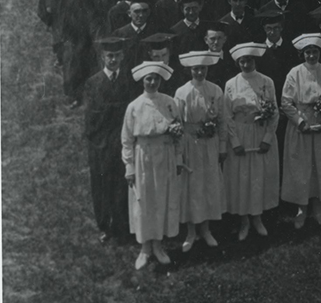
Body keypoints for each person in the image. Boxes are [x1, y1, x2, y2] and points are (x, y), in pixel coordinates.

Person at [120, 61, 184, 270]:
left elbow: (178, 134)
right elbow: (127, 139)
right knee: (144, 201)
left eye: (156, 78)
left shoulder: (169, 103)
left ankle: (158, 246)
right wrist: (129, 167)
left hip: (164, 155)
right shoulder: (134, 106)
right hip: (143, 157)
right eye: (149, 78)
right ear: (142, 81)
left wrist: (178, 159)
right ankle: (145, 248)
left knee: (162, 199)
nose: (153, 82)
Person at [280, 33, 321, 229]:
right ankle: (301, 210)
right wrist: (300, 122)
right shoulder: (294, 73)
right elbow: (286, 102)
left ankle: (318, 209)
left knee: (320, 166)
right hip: (301, 127)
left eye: (314, 52)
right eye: (307, 52)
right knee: (302, 167)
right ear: (302, 54)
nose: (311, 56)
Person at [223, 42, 280, 240]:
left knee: (258, 176)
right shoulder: (231, 84)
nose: (246, 64)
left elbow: (274, 113)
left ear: (255, 61)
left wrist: (267, 138)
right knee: (242, 177)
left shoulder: (266, 82)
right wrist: (235, 141)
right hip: (240, 133)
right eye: (242, 61)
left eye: (249, 60)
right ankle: (244, 221)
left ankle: (258, 218)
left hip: (260, 133)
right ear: (238, 63)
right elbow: (227, 115)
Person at [174, 50, 228, 251]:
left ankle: (206, 229)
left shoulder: (215, 90)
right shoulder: (182, 93)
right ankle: (191, 231)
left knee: (208, 184)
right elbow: (177, 124)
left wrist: (222, 146)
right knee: (191, 186)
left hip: (210, 144)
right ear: (190, 70)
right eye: (196, 69)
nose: (199, 72)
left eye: (202, 68)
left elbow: (222, 120)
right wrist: (179, 153)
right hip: (190, 144)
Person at [83, 37, 134, 242]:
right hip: (102, 141)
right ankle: (105, 225)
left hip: (123, 139)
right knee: (102, 183)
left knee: (122, 182)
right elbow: (92, 116)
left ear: (122, 56)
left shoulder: (129, 81)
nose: (113, 60)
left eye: (116, 56)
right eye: (109, 56)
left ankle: (123, 224)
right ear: (103, 57)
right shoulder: (93, 83)